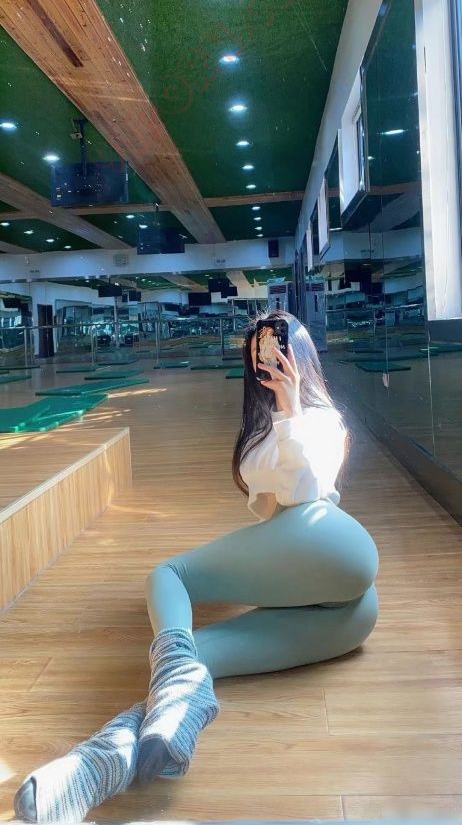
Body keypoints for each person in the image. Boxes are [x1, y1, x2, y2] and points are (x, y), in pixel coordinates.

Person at [15, 311, 379, 824]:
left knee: (171, 575)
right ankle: (95, 768)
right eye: (256, 355)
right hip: (345, 595)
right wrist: (281, 412)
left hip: (328, 535)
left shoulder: (320, 419)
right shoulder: (263, 428)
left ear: (300, 354)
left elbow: (305, 492)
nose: (266, 362)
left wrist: (291, 405)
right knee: (195, 661)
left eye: (276, 350)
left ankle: (152, 700)